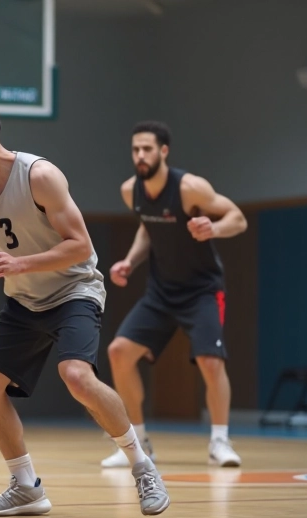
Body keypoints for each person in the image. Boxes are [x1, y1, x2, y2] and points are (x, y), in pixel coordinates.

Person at [0, 102, 170, 516]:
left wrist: (20, 263)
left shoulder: (38, 175)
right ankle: (26, 487)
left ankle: (142, 465)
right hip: (25, 300)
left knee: (76, 376)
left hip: (74, 291)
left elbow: (81, 245)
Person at [102, 121, 246, 468]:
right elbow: (147, 230)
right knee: (119, 352)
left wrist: (214, 227)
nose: (140, 155)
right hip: (162, 291)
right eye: (135, 149)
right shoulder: (130, 191)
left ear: (163, 151)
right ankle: (138, 444)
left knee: (211, 362)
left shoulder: (189, 188)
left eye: (147, 149)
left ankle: (220, 442)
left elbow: (237, 218)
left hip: (202, 291)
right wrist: (130, 262)